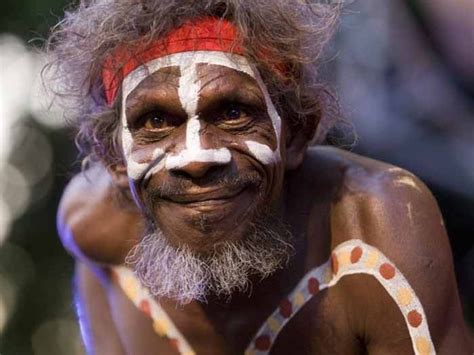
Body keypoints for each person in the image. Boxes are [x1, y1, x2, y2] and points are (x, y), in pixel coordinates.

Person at [49, 0, 471, 354]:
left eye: (234, 114)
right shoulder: (93, 232)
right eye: (156, 121)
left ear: (297, 135)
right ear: (115, 160)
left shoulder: (381, 230)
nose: (196, 158)